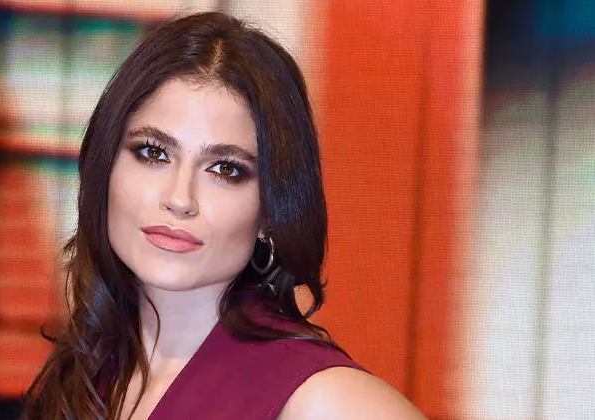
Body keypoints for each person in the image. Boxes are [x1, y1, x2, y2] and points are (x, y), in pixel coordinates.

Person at [21, 11, 426, 420]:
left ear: (270, 208)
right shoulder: (85, 373)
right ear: (105, 165)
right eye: (153, 153)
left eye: (225, 169)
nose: (180, 199)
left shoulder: (322, 399)